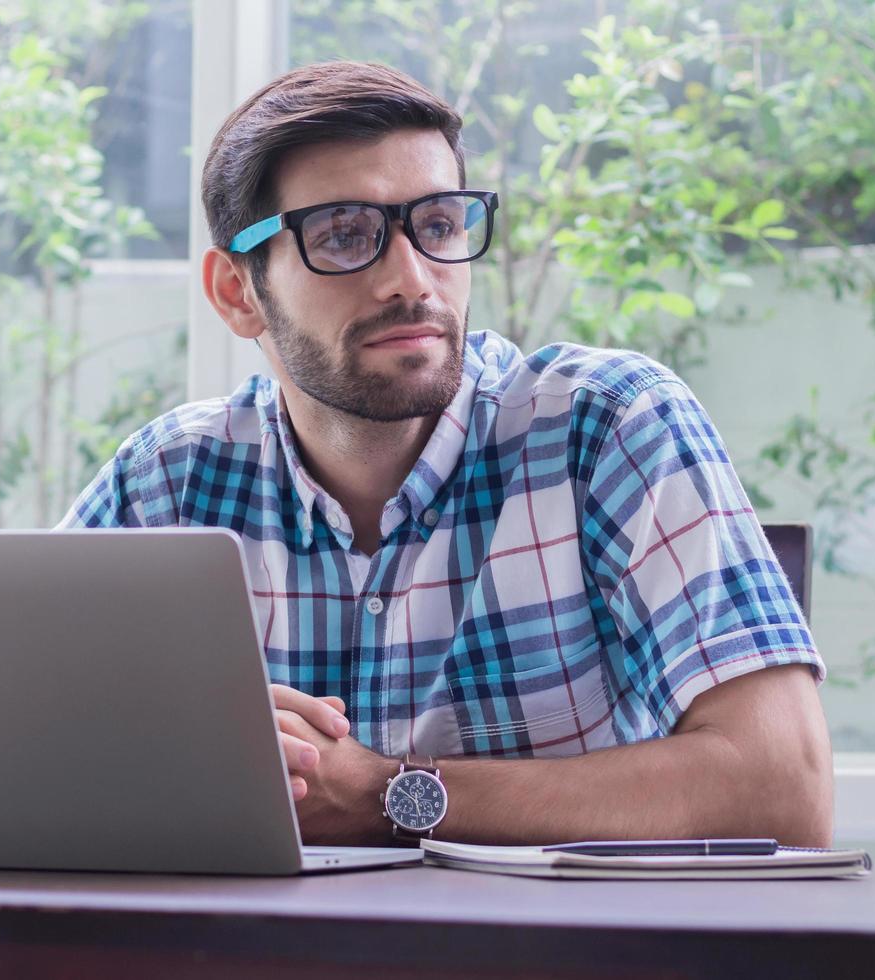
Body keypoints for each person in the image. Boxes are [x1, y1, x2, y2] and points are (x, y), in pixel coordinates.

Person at [59, 61, 833, 847]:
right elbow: (3, 751)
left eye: (437, 226)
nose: (411, 279)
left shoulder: (605, 426)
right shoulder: (165, 481)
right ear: (236, 292)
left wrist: (384, 792)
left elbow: (782, 790)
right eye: (342, 235)